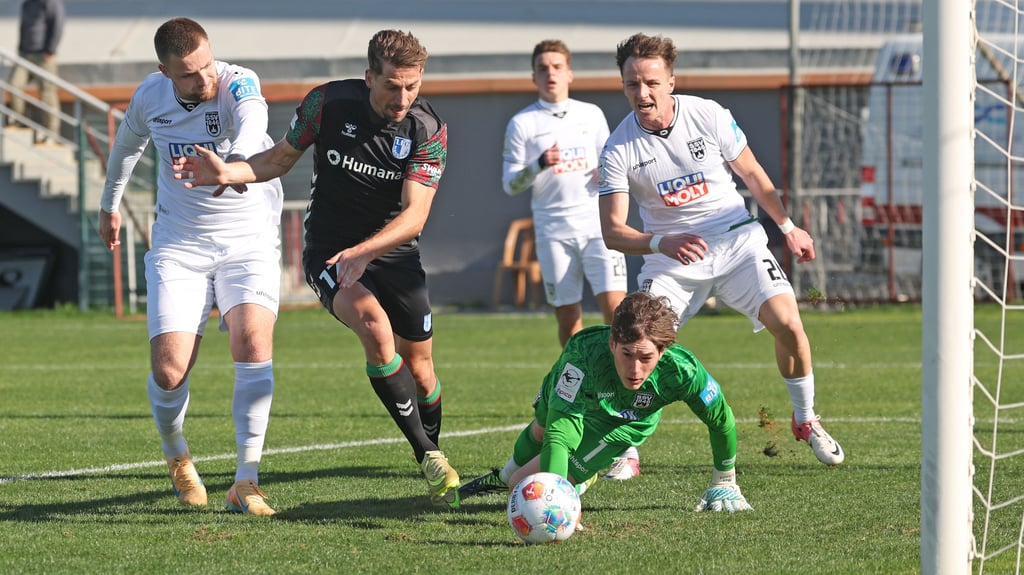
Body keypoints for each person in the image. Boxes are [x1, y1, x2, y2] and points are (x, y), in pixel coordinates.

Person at [173, 30, 461, 509]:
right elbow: (279, 158)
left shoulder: (428, 130)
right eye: (392, 86)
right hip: (329, 252)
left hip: (394, 253)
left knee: (422, 371)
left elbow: (415, 216)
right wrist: (229, 170)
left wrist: (365, 252)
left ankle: (432, 449)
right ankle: (429, 455)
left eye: (412, 87)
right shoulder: (326, 104)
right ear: (369, 77)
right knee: (374, 327)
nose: (402, 98)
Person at [597, 33, 844, 466]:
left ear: (671, 82)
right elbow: (612, 231)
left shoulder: (707, 114)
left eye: (651, 82)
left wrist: (788, 227)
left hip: (736, 242)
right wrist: (660, 242)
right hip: (671, 261)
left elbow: (753, 174)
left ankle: (806, 419)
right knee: (635, 342)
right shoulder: (618, 148)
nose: (643, 93)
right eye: (632, 84)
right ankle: (623, 444)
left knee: (788, 323)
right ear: (623, 86)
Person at [97, 18, 284, 516]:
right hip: (180, 245)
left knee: (253, 342)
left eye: (206, 66)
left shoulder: (237, 82)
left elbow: (254, 122)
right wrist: (109, 205)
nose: (204, 79)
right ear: (165, 72)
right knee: (169, 370)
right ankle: (177, 456)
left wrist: (232, 162)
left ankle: (246, 481)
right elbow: (127, 146)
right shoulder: (150, 96)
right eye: (189, 74)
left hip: (248, 241)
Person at [459, 292, 753, 514]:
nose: (635, 369)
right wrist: (557, 497)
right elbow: (559, 435)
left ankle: (579, 478)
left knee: (520, 486)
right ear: (612, 343)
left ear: (662, 352)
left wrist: (724, 479)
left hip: (624, 421)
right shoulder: (582, 358)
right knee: (541, 429)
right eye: (627, 354)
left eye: (646, 358)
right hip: (576, 396)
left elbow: (720, 420)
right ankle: (502, 475)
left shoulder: (682, 371)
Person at [502, 40, 636, 482]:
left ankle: (625, 430)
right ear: (534, 76)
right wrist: (540, 163)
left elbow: (612, 160)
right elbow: (510, 183)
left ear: (570, 73)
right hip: (553, 231)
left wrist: (606, 171)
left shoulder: (591, 115)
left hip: (597, 226)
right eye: (543, 67)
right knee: (568, 320)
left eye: (557, 66)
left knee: (619, 315)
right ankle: (581, 393)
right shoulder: (523, 123)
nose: (551, 73)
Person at [9, 0, 65, 143]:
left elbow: (57, 25)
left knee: (47, 93)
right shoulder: (27, 3)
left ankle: (52, 133)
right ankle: (20, 121)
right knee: (14, 84)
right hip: (25, 55)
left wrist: (50, 50)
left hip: (44, 56)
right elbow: (23, 27)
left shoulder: (51, 3)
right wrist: (20, 49)